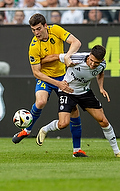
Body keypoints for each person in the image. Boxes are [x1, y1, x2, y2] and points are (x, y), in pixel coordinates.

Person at [36, 45, 120, 158]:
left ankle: (117, 152)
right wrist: (39, 64)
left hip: (84, 92)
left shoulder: (102, 65)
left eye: (96, 63)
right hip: (67, 91)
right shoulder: (76, 58)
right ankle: (45, 129)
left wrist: (101, 87)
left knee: (103, 121)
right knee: (63, 124)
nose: (93, 64)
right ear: (89, 55)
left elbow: (100, 73)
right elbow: (56, 56)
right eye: (92, 61)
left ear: (102, 60)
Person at [12, 13, 83, 158]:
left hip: (64, 75)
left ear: (45, 26)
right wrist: (58, 84)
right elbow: (37, 73)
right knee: (41, 101)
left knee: (74, 110)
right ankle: (27, 130)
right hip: (46, 78)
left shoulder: (55, 30)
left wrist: (67, 56)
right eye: (33, 30)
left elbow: (76, 42)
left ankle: (77, 150)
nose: (36, 33)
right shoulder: (34, 46)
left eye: (38, 29)